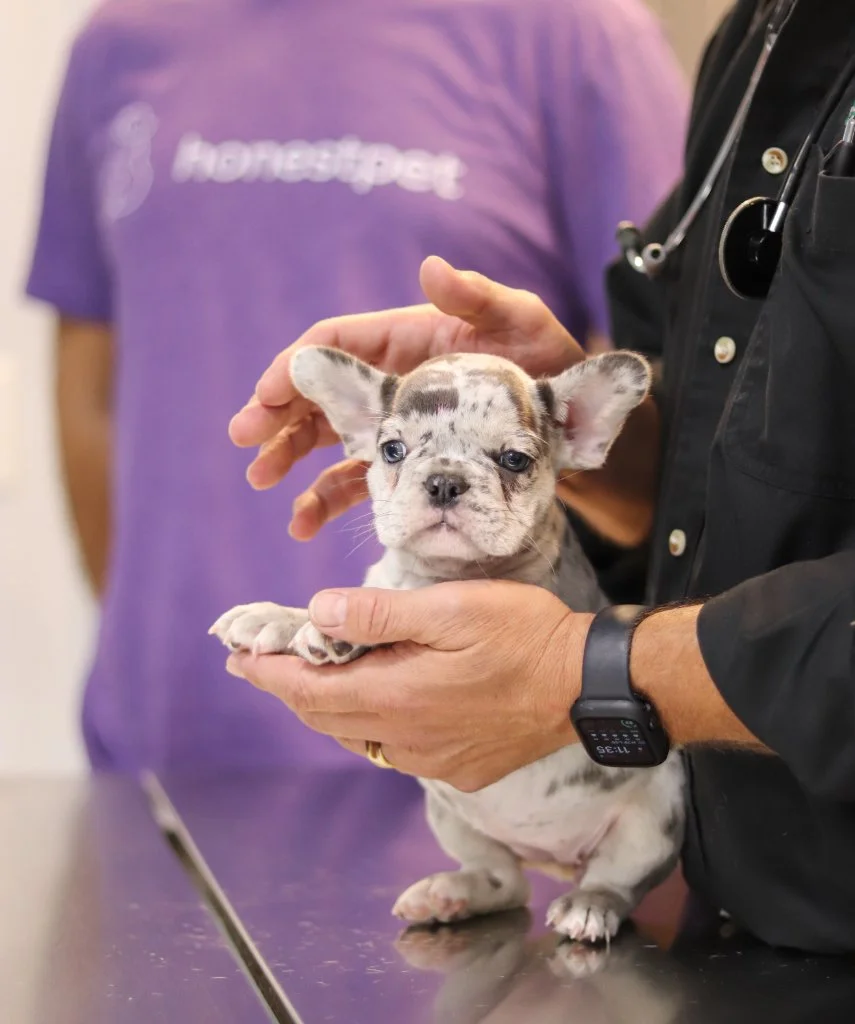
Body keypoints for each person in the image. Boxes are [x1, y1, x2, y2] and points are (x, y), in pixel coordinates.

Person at [225, 0, 855, 953]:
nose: (438, 485)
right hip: (732, 910)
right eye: (399, 455)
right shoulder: (758, 35)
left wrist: (586, 673)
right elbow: (727, 465)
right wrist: (553, 424)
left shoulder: (586, 34)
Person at [24, 0, 687, 773]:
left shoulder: (578, 34)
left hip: (470, 766)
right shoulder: (120, 39)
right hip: (164, 751)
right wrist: (146, 655)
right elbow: (92, 391)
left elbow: (676, 430)